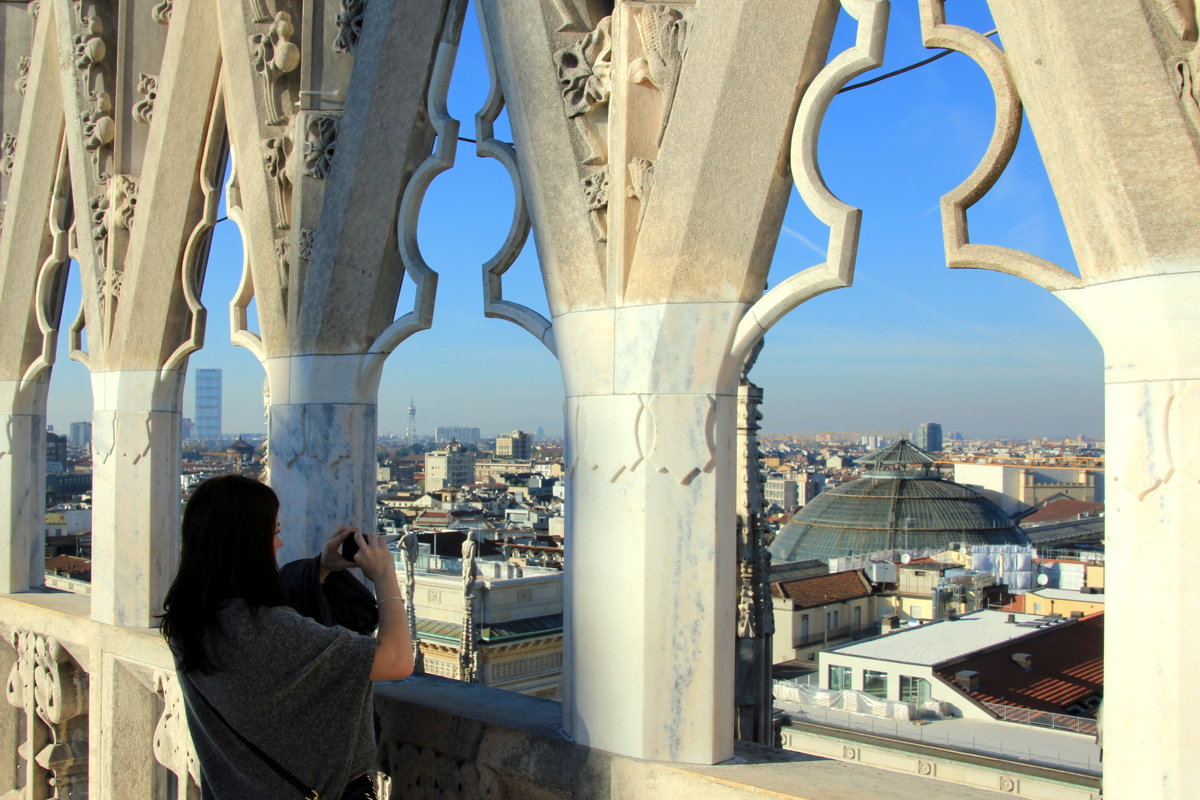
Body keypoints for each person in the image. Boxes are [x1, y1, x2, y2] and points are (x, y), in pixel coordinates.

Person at [160, 474, 413, 799]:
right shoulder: (266, 631)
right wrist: (385, 576)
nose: (279, 543)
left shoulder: (188, 620)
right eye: (274, 533)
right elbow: (396, 661)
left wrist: (320, 568)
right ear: (248, 544)